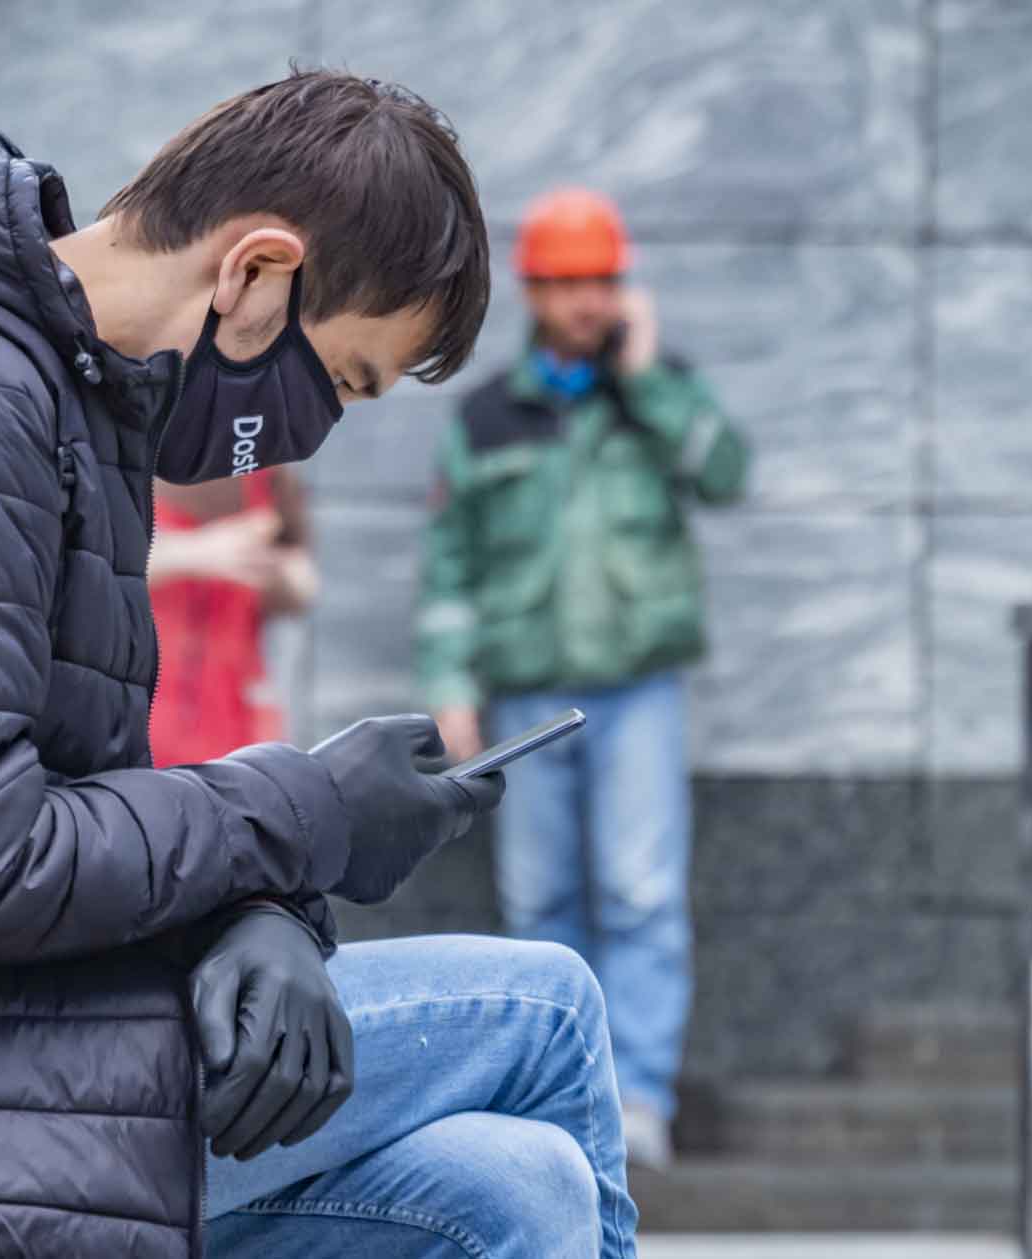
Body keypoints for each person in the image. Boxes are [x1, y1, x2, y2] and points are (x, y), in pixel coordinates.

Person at [0, 78, 638, 1259]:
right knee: (545, 1009)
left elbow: (54, 819)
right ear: (254, 276)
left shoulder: (52, 408)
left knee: (514, 1189)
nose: (317, 427)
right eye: (343, 380)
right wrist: (308, 811)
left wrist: (256, 916)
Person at [416, 188, 750, 1169]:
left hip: (638, 686)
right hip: (529, 692)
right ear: (534, 291)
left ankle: (639, 1094)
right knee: (540, 898)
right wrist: (449, 681)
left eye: (603, 281)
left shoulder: (657, 393)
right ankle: (563, 1095)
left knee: (641, 891)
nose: (588, 303)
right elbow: (448, 564)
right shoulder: (486, 416)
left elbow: (727, 473)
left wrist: (647, 378)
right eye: (570, 285)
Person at [147, 468, 315, 766]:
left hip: (237, 708)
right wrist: (195, 551)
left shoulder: (270, 470)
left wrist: (266, 566)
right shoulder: (132, 455)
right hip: (149, 705)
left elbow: (305, 583)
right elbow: (92, 567)